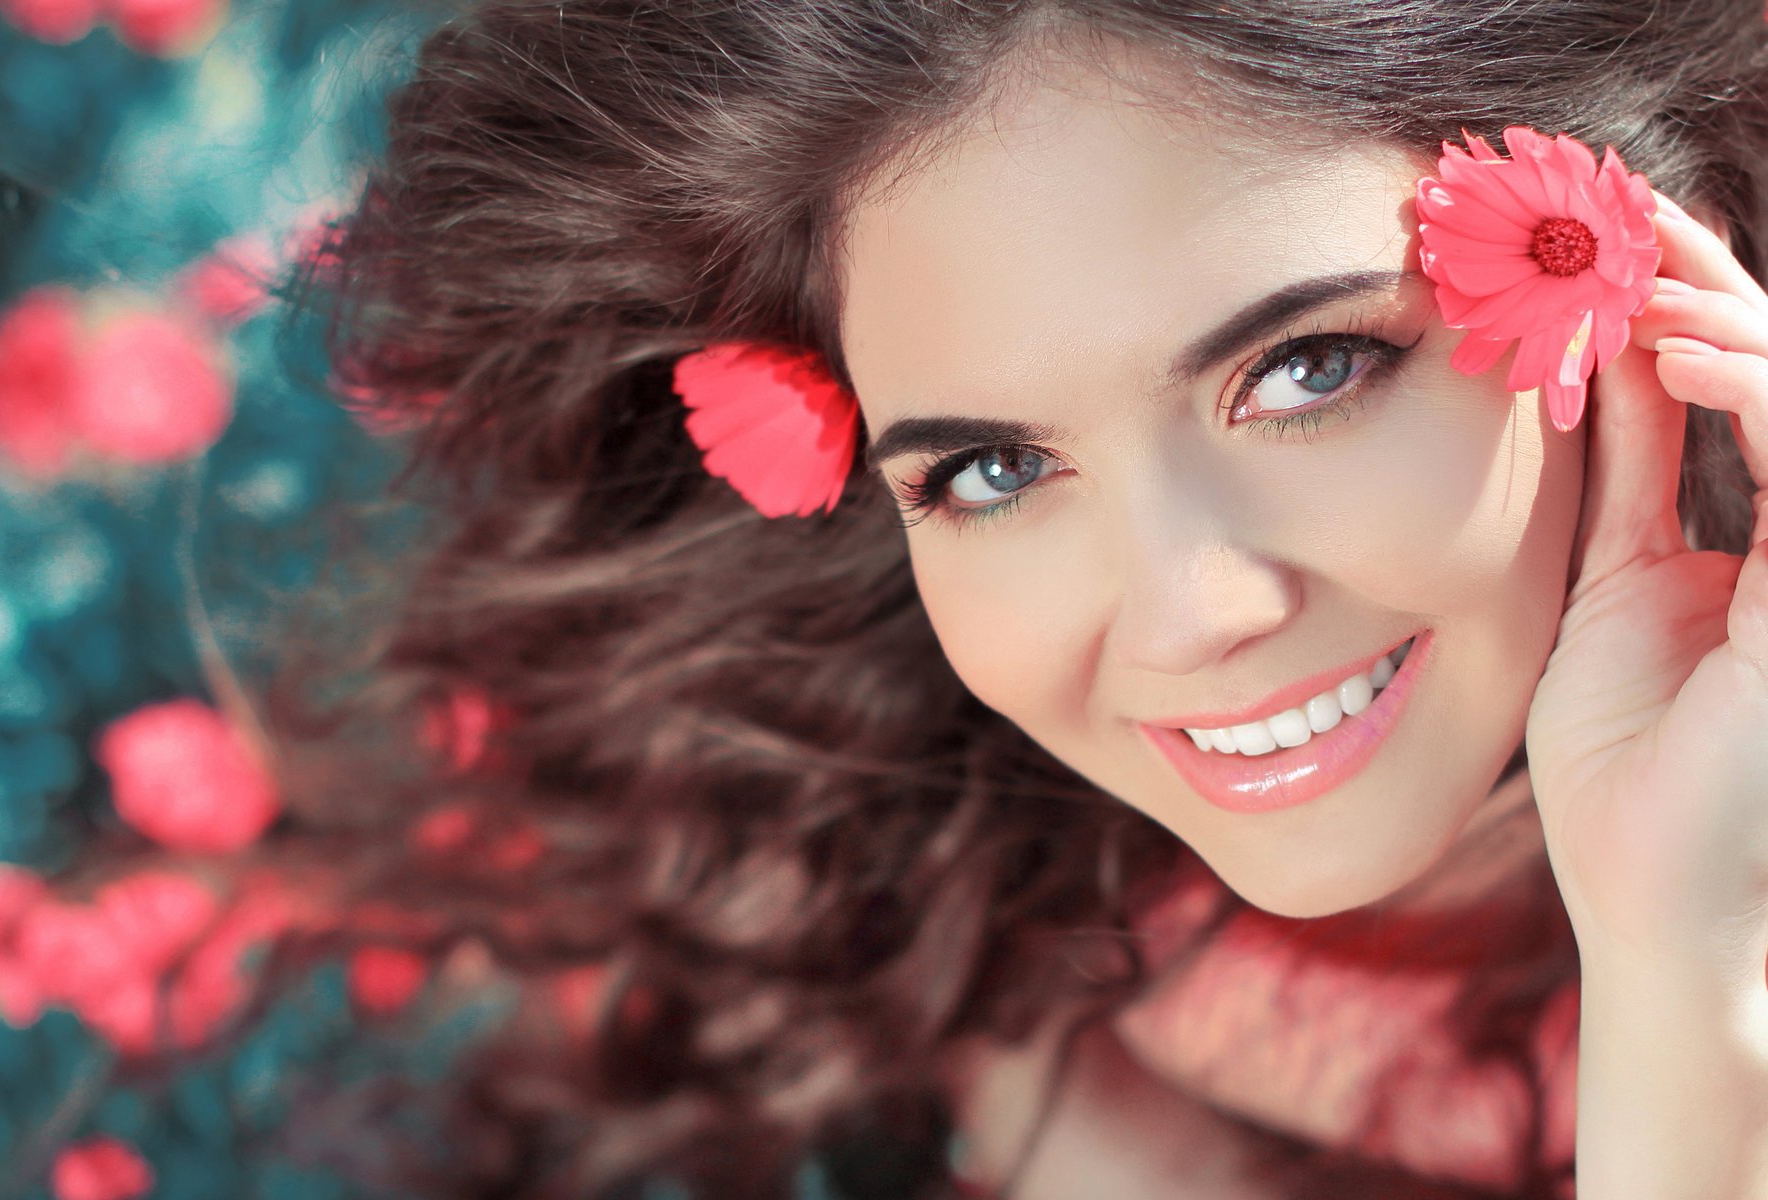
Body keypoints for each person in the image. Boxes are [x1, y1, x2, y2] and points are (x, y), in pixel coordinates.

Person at [282, 1, 1768, 1196]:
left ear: (1636, 260)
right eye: (991, 470)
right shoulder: (923, 912)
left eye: (1309, 370)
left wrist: (1693, 972)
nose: (1184, 611)